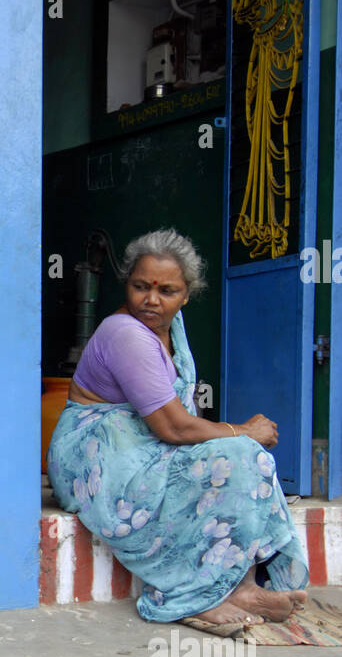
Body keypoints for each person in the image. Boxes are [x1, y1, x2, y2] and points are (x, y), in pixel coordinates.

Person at [47, 229, 308, 631]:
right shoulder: (125, 334)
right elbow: (172, 426)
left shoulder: (171, 329)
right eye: (140, 287)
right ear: (127, 285)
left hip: (143, 447)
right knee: (239, 452)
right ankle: (196, 595)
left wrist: (241, 438)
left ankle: (243, 584)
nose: (151, 300)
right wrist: (244, 430)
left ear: (186, 294)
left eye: (167, 290)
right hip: (100, 460)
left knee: (245, 457)